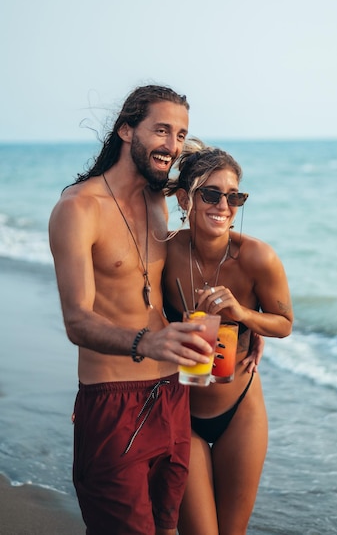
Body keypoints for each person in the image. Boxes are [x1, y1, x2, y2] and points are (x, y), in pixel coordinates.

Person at [48, 85, 215, 535]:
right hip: (113, 402)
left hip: (173, 395)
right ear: (126, 130)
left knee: (165, 529)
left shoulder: (160, 200)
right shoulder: (78, 208)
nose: (172, 145)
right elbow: (77, 320)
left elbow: (220, 190)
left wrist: (252, 326)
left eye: (180, 135)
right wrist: (148, 340)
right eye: (161, 131)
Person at [163, 140, 294, 535]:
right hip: (183, 411)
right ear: (185, 198)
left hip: (240, 410)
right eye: (211, 193)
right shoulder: (164, 252)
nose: (224, 206)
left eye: (233, 196)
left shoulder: (257, 258)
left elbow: (285, 322)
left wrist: (243, 315)